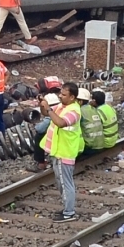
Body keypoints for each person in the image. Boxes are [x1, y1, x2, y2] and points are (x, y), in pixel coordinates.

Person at [41, 87, 84, 218]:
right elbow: (47, 114)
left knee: (66, 184)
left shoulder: (74, 111)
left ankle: (69, 213)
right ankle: (67, 209)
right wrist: (43, 106)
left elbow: (60, 122)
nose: (60, 96)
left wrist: (48, 108)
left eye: (64, 94)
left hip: (64, 153)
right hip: (58, 151)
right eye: (60, 93)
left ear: (72, 97)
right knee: (62, 182)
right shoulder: (62, 106)